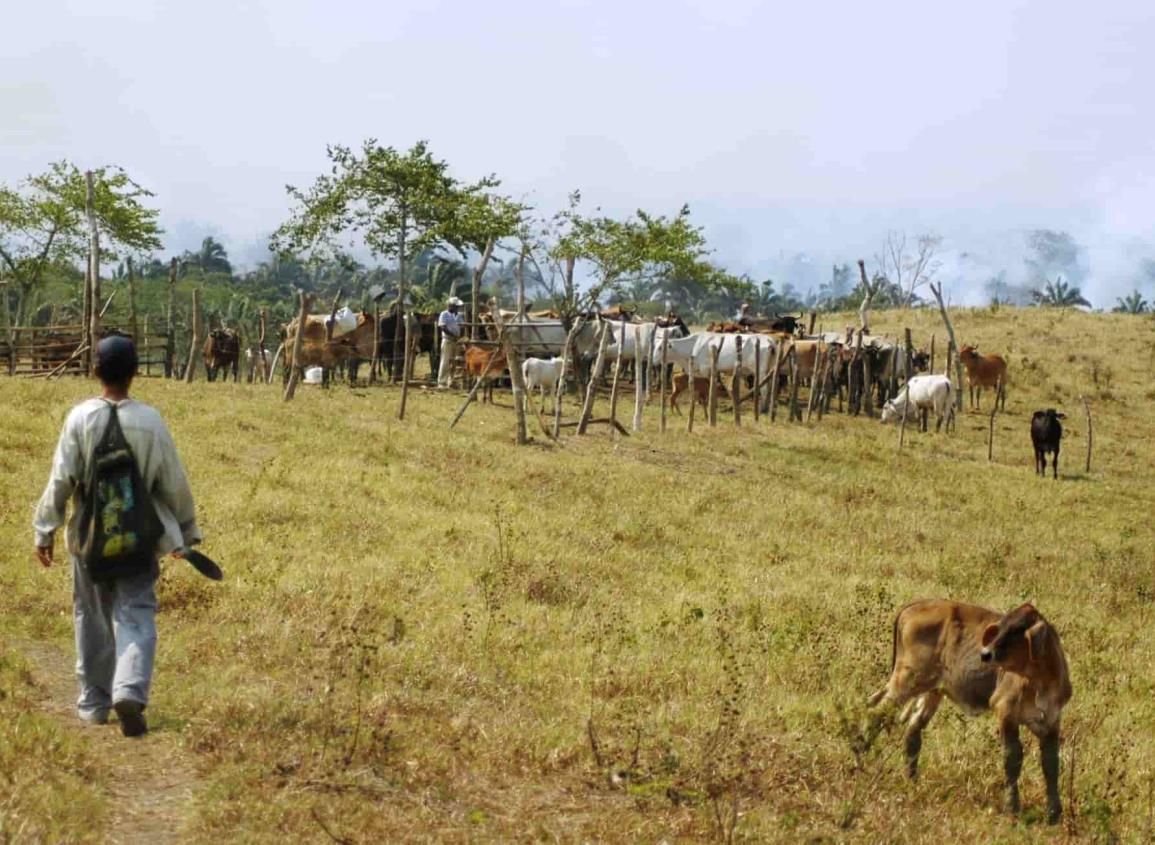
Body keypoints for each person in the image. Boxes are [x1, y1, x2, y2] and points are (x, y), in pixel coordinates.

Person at [33, 335, 201, 737]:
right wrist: (187, 531)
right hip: (138, 540)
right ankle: (129, 689)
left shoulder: (80, 418)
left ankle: (93, 704)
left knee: (90, 618)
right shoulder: (151, 421)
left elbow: (62, 479)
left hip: (87, 542)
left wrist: (45, 529)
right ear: (135, 373)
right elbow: (172, 483)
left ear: (95, 371)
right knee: (136, 614)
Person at [436, 297, 465, 388]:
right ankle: (442, 382)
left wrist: (460, 337)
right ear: (451, 306)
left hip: (457, 341)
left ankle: (451, 381)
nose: (457, 308)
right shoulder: (444, 314)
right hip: (448, 340)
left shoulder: (459, 316)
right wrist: (454, 336)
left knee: (454, 362)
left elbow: (462, 327)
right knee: (445, 361)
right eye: (456, 306)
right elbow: (443, 327)